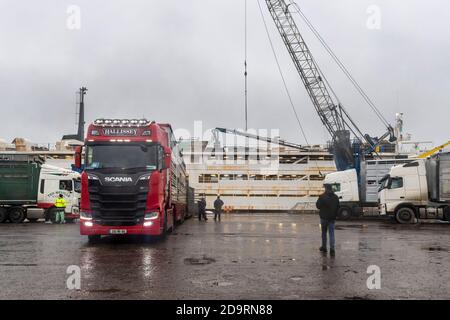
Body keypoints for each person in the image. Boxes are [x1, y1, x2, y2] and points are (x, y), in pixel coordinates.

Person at [316, 184, 340, 256]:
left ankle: (324, 247)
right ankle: (332, 249)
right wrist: (335, 215)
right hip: (332, 218)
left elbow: (318, 206)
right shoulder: (335, 197)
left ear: (326, 189)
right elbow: (338, 207)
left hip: (324, 218)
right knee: (331, 234)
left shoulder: (322, 196)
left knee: (324, 233)